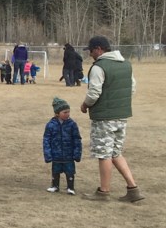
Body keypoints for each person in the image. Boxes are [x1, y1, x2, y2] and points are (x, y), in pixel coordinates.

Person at [80, 36, 143, 202]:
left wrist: (85, 105)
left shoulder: (99, 67)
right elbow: (132, 88)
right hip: (122, 116)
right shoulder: (125, 64)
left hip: (104, 118)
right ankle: (133, 189)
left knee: (104, 154)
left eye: (91, 51)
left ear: (99, 49)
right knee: (116, 152)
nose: (91, 55)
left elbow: (94, 93)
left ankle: (104, 191)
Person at [43, 97, 81, 195]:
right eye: (65, 112)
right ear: (57, 113)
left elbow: (77, 139)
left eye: (68, 112)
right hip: (56, 155)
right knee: (55, 171)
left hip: (69, 155)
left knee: (70, 171)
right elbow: (46, 140)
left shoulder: (72, 124)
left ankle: (70, 187)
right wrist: (48, 154)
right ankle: (55, 185)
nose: (67, 114)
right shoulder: (50, 125)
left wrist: (77, 153)